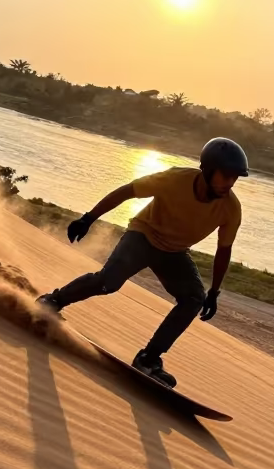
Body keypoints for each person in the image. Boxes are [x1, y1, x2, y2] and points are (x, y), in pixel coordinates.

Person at [37, 137, 248, 386]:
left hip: (175, 252)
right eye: (225, 175)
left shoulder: (231, 208)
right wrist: (88, 218)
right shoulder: (174, 179)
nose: (230, 183)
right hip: (143, 236)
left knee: (194, 298)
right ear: (208, 169)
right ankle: (52, 301)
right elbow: (128, 190)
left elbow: (224, 249)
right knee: (108, 282)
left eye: (235, 177)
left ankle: (149, 358)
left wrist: (214, 291)